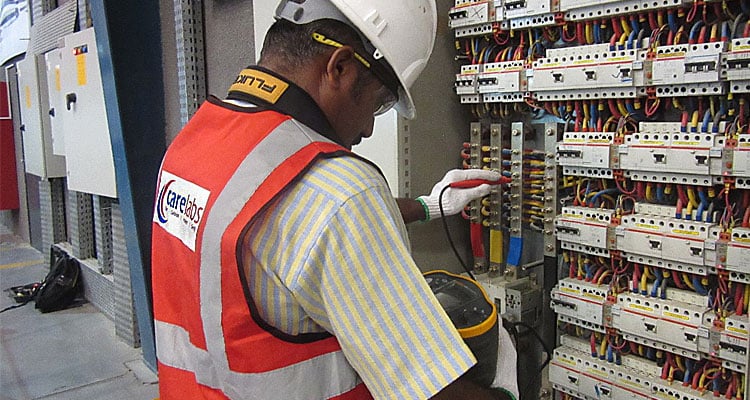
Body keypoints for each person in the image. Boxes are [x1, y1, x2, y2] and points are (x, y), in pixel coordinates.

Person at [151, 0, 518, 399]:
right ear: (339, 67)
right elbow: (427, 390)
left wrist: (427, 206)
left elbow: (291, 232)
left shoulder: (193, 143)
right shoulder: (342, 190)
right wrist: (506, 387)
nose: (369, 126)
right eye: (379, 101)